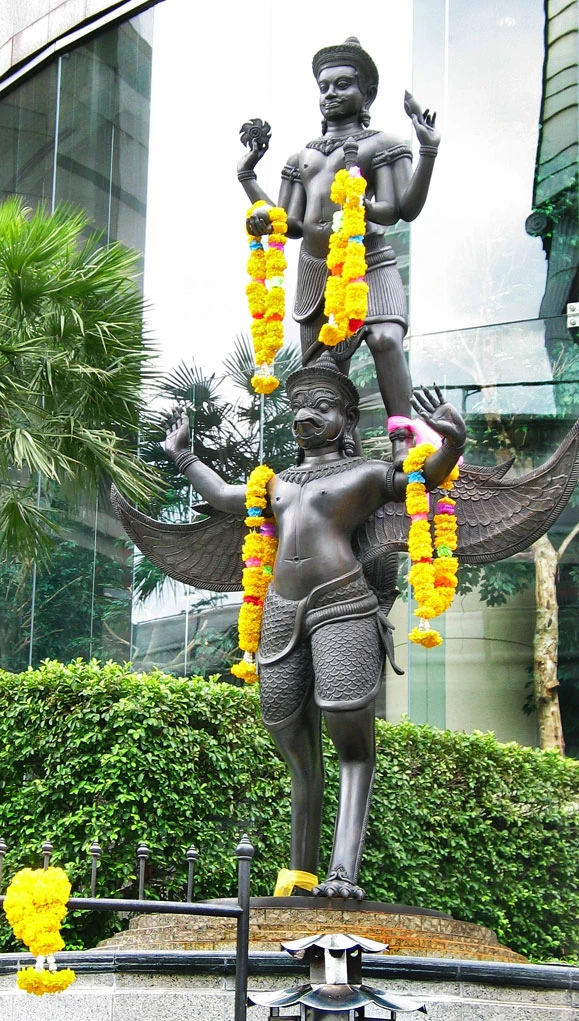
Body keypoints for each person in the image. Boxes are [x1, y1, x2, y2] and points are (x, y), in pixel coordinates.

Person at [163, 358, 465, 898]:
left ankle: (343, 872)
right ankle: (299, 875)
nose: (306, 415)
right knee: (288, 736)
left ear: (347, 420)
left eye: (321, 407)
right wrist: (184, 456)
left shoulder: (366, 474)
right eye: (299, 407)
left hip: (342, 603)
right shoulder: (275, 483)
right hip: (281, 608)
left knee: (350, 734)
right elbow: (223, 497)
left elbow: (422, 479)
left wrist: (452, 444)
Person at [238, 37, 440, 463]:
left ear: (367, 93)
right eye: (324, 87)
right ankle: (337, 459)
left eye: (343, 85)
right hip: (316, 270)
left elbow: (401, 208)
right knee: (323, 376)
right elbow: (289, 223)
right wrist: (248, 180)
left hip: (367, 262)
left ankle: (401, 437)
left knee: (385, 339)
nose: (330, 94)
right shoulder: (302, 156)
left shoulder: (381, 144)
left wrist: (427, 150)